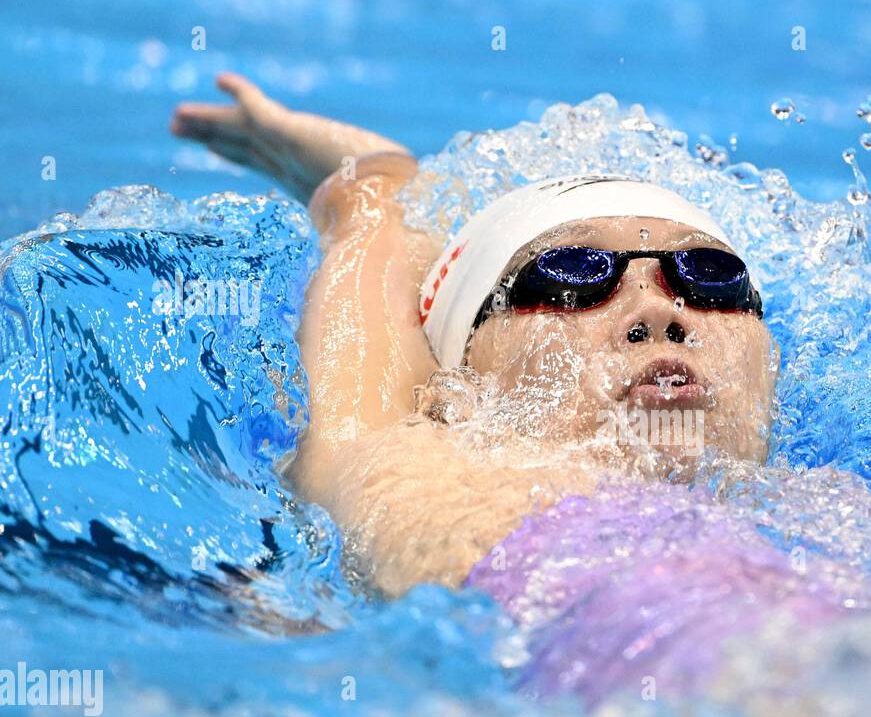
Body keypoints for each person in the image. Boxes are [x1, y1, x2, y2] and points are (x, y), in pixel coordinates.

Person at [172, 74, 779, 596]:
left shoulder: (844, 506)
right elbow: (360, 381)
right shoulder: (419, 480)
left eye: (710, 278)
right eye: (572, 275)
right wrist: (369, 184)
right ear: (454, 389)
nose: (656, 310)